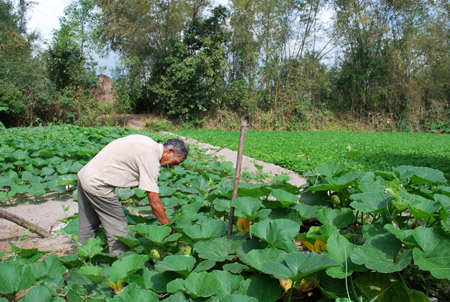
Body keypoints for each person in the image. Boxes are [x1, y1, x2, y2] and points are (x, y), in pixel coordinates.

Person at [76, 134, 188, 256]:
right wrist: (170, 229)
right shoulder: (151, 160)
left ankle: (83, 258)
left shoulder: (146, 141)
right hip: (98, 184)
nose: (171, 166)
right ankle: (120, 261)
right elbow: (154, 202)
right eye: (175, 162)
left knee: (87, 224)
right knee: (119, 229)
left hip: (85, 175)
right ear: (170, 151)